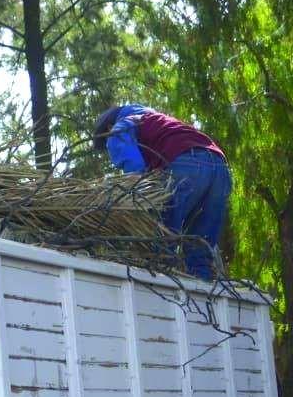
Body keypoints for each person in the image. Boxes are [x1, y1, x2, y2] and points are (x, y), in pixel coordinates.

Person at [92, 104, 231, 279]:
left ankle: (162, 285)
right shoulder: (158, 120)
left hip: (186, 166)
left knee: (162, 243)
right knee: (200, 250)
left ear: (108, 128)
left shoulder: (119, 128)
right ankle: (202, 287)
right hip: (220, 167)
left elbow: (137, 175)